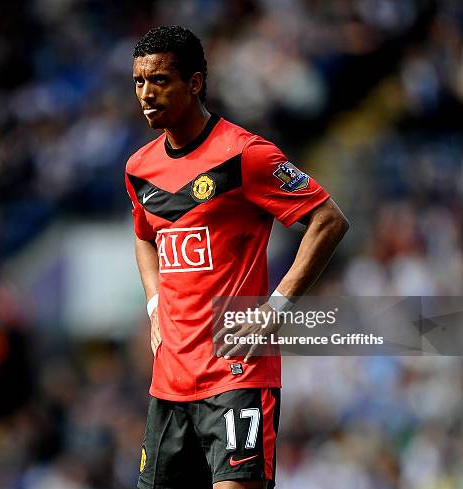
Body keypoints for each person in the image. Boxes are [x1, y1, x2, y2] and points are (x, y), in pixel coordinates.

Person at [124, 26, 349, 489]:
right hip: (169, 383)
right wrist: (154, 304)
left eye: (160, 80)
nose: (147, 94)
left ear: (195, 82)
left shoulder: (245, 154)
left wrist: (277, 308)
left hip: (237, 372)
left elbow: (328, 220)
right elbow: (144, 234)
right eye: (139, 82)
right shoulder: (139, 168)